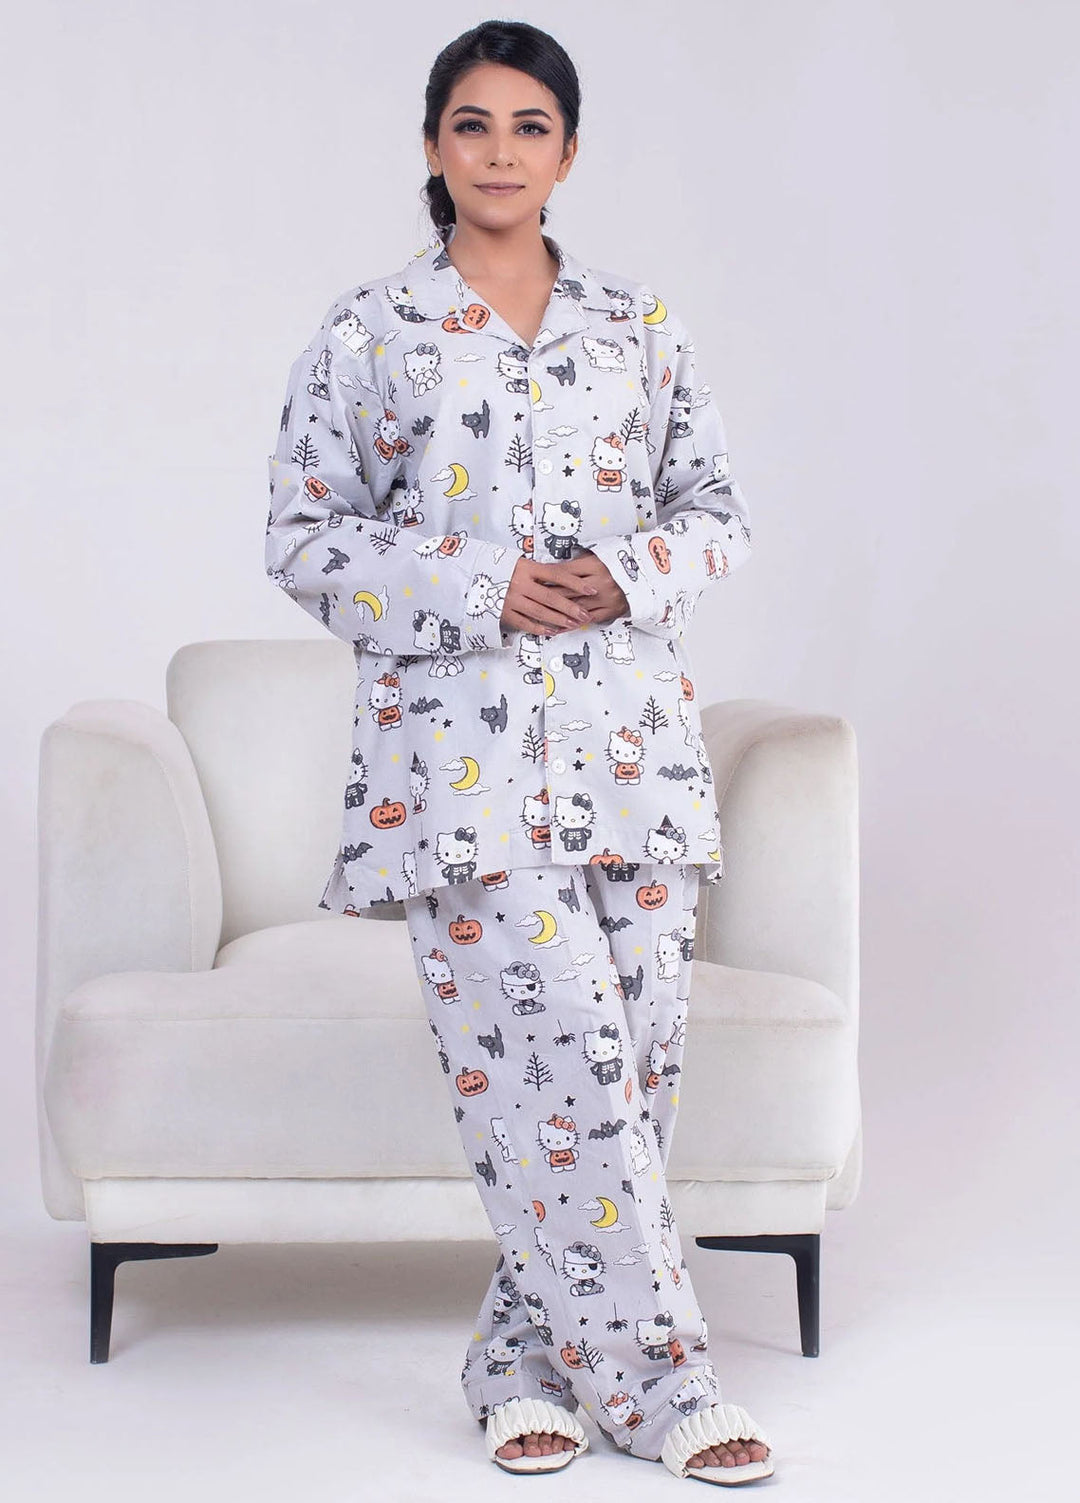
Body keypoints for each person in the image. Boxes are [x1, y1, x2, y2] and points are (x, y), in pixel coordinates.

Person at [264, 17, 773, 1487]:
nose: (499, 151)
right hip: (460, 777)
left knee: (623, 1082)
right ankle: (671, 1388)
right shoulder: (372, 331)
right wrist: (483, 582)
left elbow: (719, 510)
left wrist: (630, 572)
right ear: (434, 147)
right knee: (552, 1064)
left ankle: (522, 1367)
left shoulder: (638, 325)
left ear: (569, 152)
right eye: (472, 125)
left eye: (529, 126)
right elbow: (303, 539)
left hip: (636, 761)